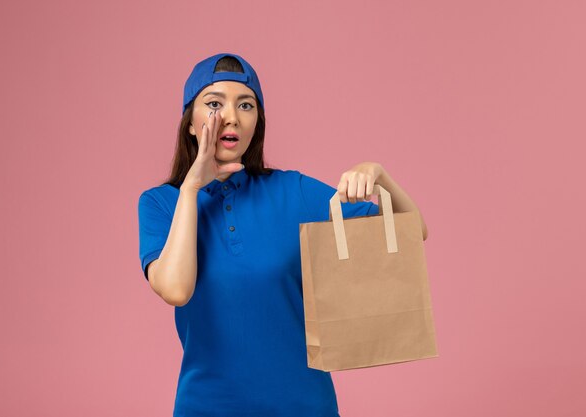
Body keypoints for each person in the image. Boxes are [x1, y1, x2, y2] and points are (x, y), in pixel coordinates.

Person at [138, 52, 428, 416]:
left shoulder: (293, 192)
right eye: (214, 103)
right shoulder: (161, 204)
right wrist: (193, 188)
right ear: (191, 124)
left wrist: (380, 176)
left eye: (246, 105)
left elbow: (413, 232)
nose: (231, 116)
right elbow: (176, 289)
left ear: (256, 122)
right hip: (208, 407)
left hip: (304, 407)